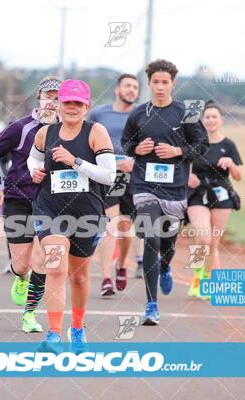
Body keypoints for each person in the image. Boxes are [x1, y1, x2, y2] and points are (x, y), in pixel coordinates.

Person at [28, 79, 116, 352]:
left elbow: (109, 176)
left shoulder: (95, 132)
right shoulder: (45, 133)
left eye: (78, 103)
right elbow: (33, 159)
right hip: (50, 208)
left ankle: (77, 329)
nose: (72, 108)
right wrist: (35, 170)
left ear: (86, 106)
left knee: (79, 276)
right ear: (58, 105)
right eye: (67, 102)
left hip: (86, 212)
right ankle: (54, 333)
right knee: (55, 266)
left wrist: (75, 162)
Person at [121, 59, 209, 325]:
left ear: (173, 83)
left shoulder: (186, 113)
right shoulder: (138, 114)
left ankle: (166, 266)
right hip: (144, 185)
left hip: (175, 188)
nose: (160, 87)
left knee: (167, 242)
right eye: (155, 82)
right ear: (149, 83)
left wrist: (177, 151)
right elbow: (125, 142)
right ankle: (151, 305)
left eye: (165, 82)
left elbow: (202, 144)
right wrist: (136, 150)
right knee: (150, 237)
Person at [0, 76, 62, 333]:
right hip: (18, 198)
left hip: (50, 201)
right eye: (49, 95)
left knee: (43, 258)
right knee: (22, 264)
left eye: (58, 96)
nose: (53, 101)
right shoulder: (21, 127)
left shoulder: (68, 131)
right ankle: (20, 278)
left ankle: (29, 314)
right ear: (39, 97)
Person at [89, 73, 144, 296]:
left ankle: (122, 264)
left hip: (133, 177)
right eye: (127, 86)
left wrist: (135, 161)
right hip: (108, 176)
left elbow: (149, 145)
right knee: (112, 225)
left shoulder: (142, 114)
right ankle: (106, 279)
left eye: (135, 87)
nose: (132, 90)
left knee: (125, 228)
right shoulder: (99, 113)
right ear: (117, 90)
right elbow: (86, 138)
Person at [186, 101, 242, 297]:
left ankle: (206, 282)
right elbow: (181, 165)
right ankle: (196, 277)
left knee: (213, 243)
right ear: (203, 120)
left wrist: (231, 164)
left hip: (222, 194)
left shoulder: (229, 145)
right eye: (207, 117)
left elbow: (238, 175)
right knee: (203, 236)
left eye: (214, 117)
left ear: (221, 120)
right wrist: (187, 176)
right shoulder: (195, 143)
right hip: (197, 194)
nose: (210, 120)